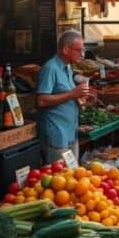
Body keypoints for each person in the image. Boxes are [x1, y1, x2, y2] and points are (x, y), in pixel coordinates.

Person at [36, 31, 91, 163]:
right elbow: (41, 100)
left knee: (72, 176)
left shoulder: (67, 68)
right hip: (57, 133)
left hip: (70, 131)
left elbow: (68, 95)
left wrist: (82, 98)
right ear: (66, 49)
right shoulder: (50, 68)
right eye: (78, 50)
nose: (81, 54)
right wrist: (73, 93)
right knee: (58, 178)